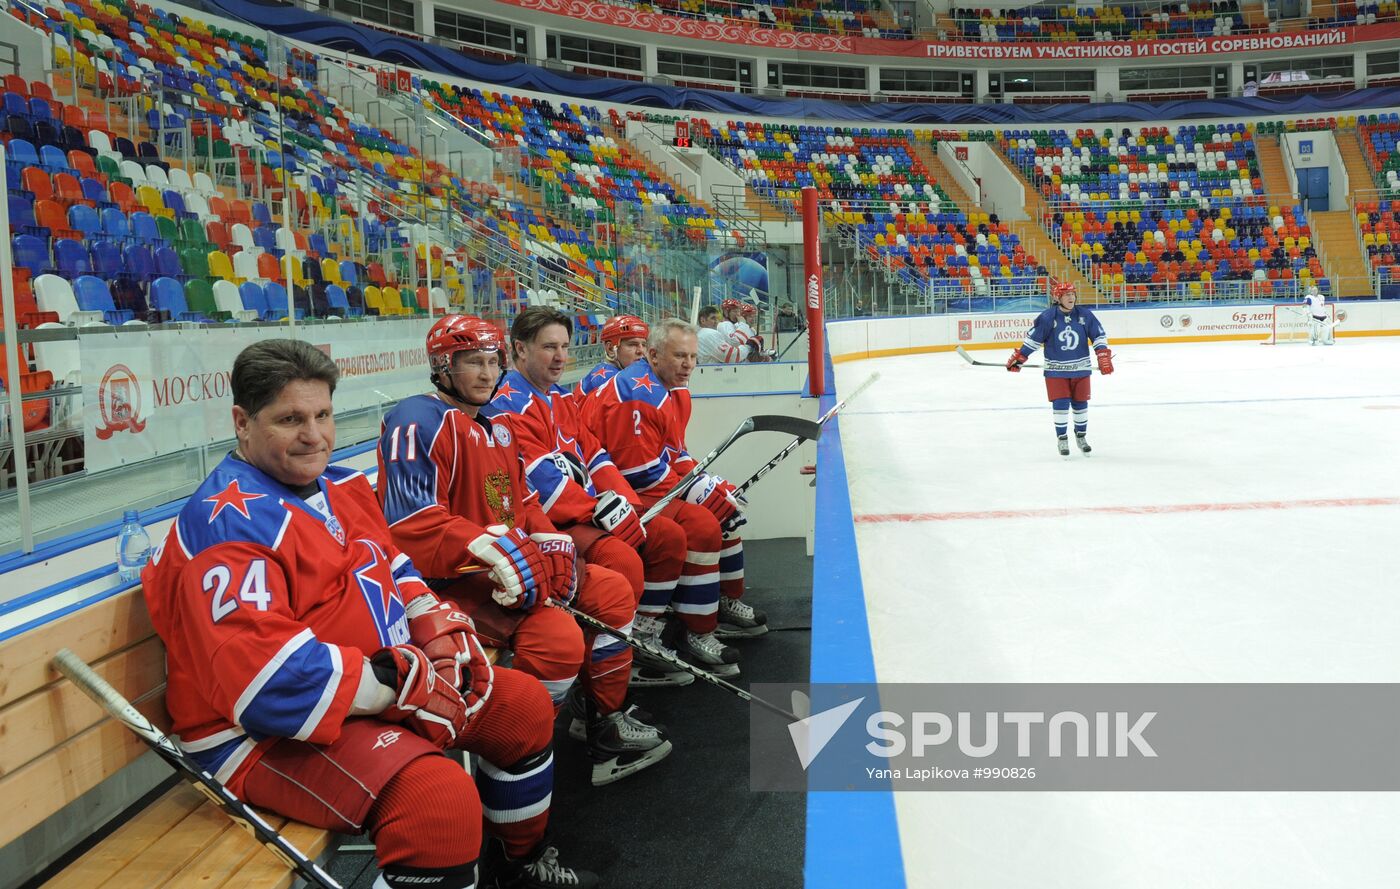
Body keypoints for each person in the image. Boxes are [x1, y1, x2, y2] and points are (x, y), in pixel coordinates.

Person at [141, 339, 594, 889]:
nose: (314, 436)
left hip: (370, 685)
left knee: (520, 707)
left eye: (323, 415)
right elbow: (266, 683)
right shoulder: (229, 527)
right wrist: (400, 686)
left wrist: (432, 624)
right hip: (257, 733)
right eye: (290, 419)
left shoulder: (340, 485)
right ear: (242, 421)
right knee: (437, 800)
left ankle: (520, 868)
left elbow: (395, 565)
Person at [376, 315, 671, 788]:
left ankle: (600, 721)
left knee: (613, 591)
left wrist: (548, 541)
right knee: (557, 640)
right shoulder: (416, 421)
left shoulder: (497, 426)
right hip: (452, 580)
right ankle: (525, 745)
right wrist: (497, 550)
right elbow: (410, 524)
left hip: (509, 569)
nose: (487, 374)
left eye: (492, 362)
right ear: (442, 366)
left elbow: (524, 504)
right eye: (473, 362)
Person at [484, 308, 691, 760]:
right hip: (552, 524)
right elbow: (540, 481)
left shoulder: (558, 398)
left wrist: (626, 505)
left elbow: (595, 455)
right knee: (622, 563)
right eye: (549, 347)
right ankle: (597, 711)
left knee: (665, 538)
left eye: (564, 347)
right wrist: (599, 511)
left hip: (583, 516)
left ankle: (634, 650)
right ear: (519, 350)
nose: (560, 358)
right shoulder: (507, 404)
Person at [590, 318, 768, 676]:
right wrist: (697, 490)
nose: (689, 364)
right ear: (653, 355)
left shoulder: (672, 387)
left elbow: (674, 451)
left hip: (643, 484)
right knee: (703, 524)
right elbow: (637, 473)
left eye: (692, 356)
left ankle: (721, 603)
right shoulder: (638, 395)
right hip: (617, 492)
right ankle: (688, 631)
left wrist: (706, 483)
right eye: (679, 356)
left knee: (724, 510)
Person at [1007, 280, 1114, 457]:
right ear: (1058, 298)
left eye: (1072, 294)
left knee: (1081, 404)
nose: (1071, 297)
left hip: (1081, 368)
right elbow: (1033, 341)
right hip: (1056, 370)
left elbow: (1099, 336)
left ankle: (1081, 436)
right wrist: (1021, 357)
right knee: (1061, 403)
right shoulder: (1048, 317)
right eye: (1067, 295)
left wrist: (1102, 355)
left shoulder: (1085, 315)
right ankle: (1062, 439)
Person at [575, 314, 649, 401]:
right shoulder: (611, 383)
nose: (641, 351)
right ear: (610, 348)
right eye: (632, 344)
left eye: (644, 345)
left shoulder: (605, 372)